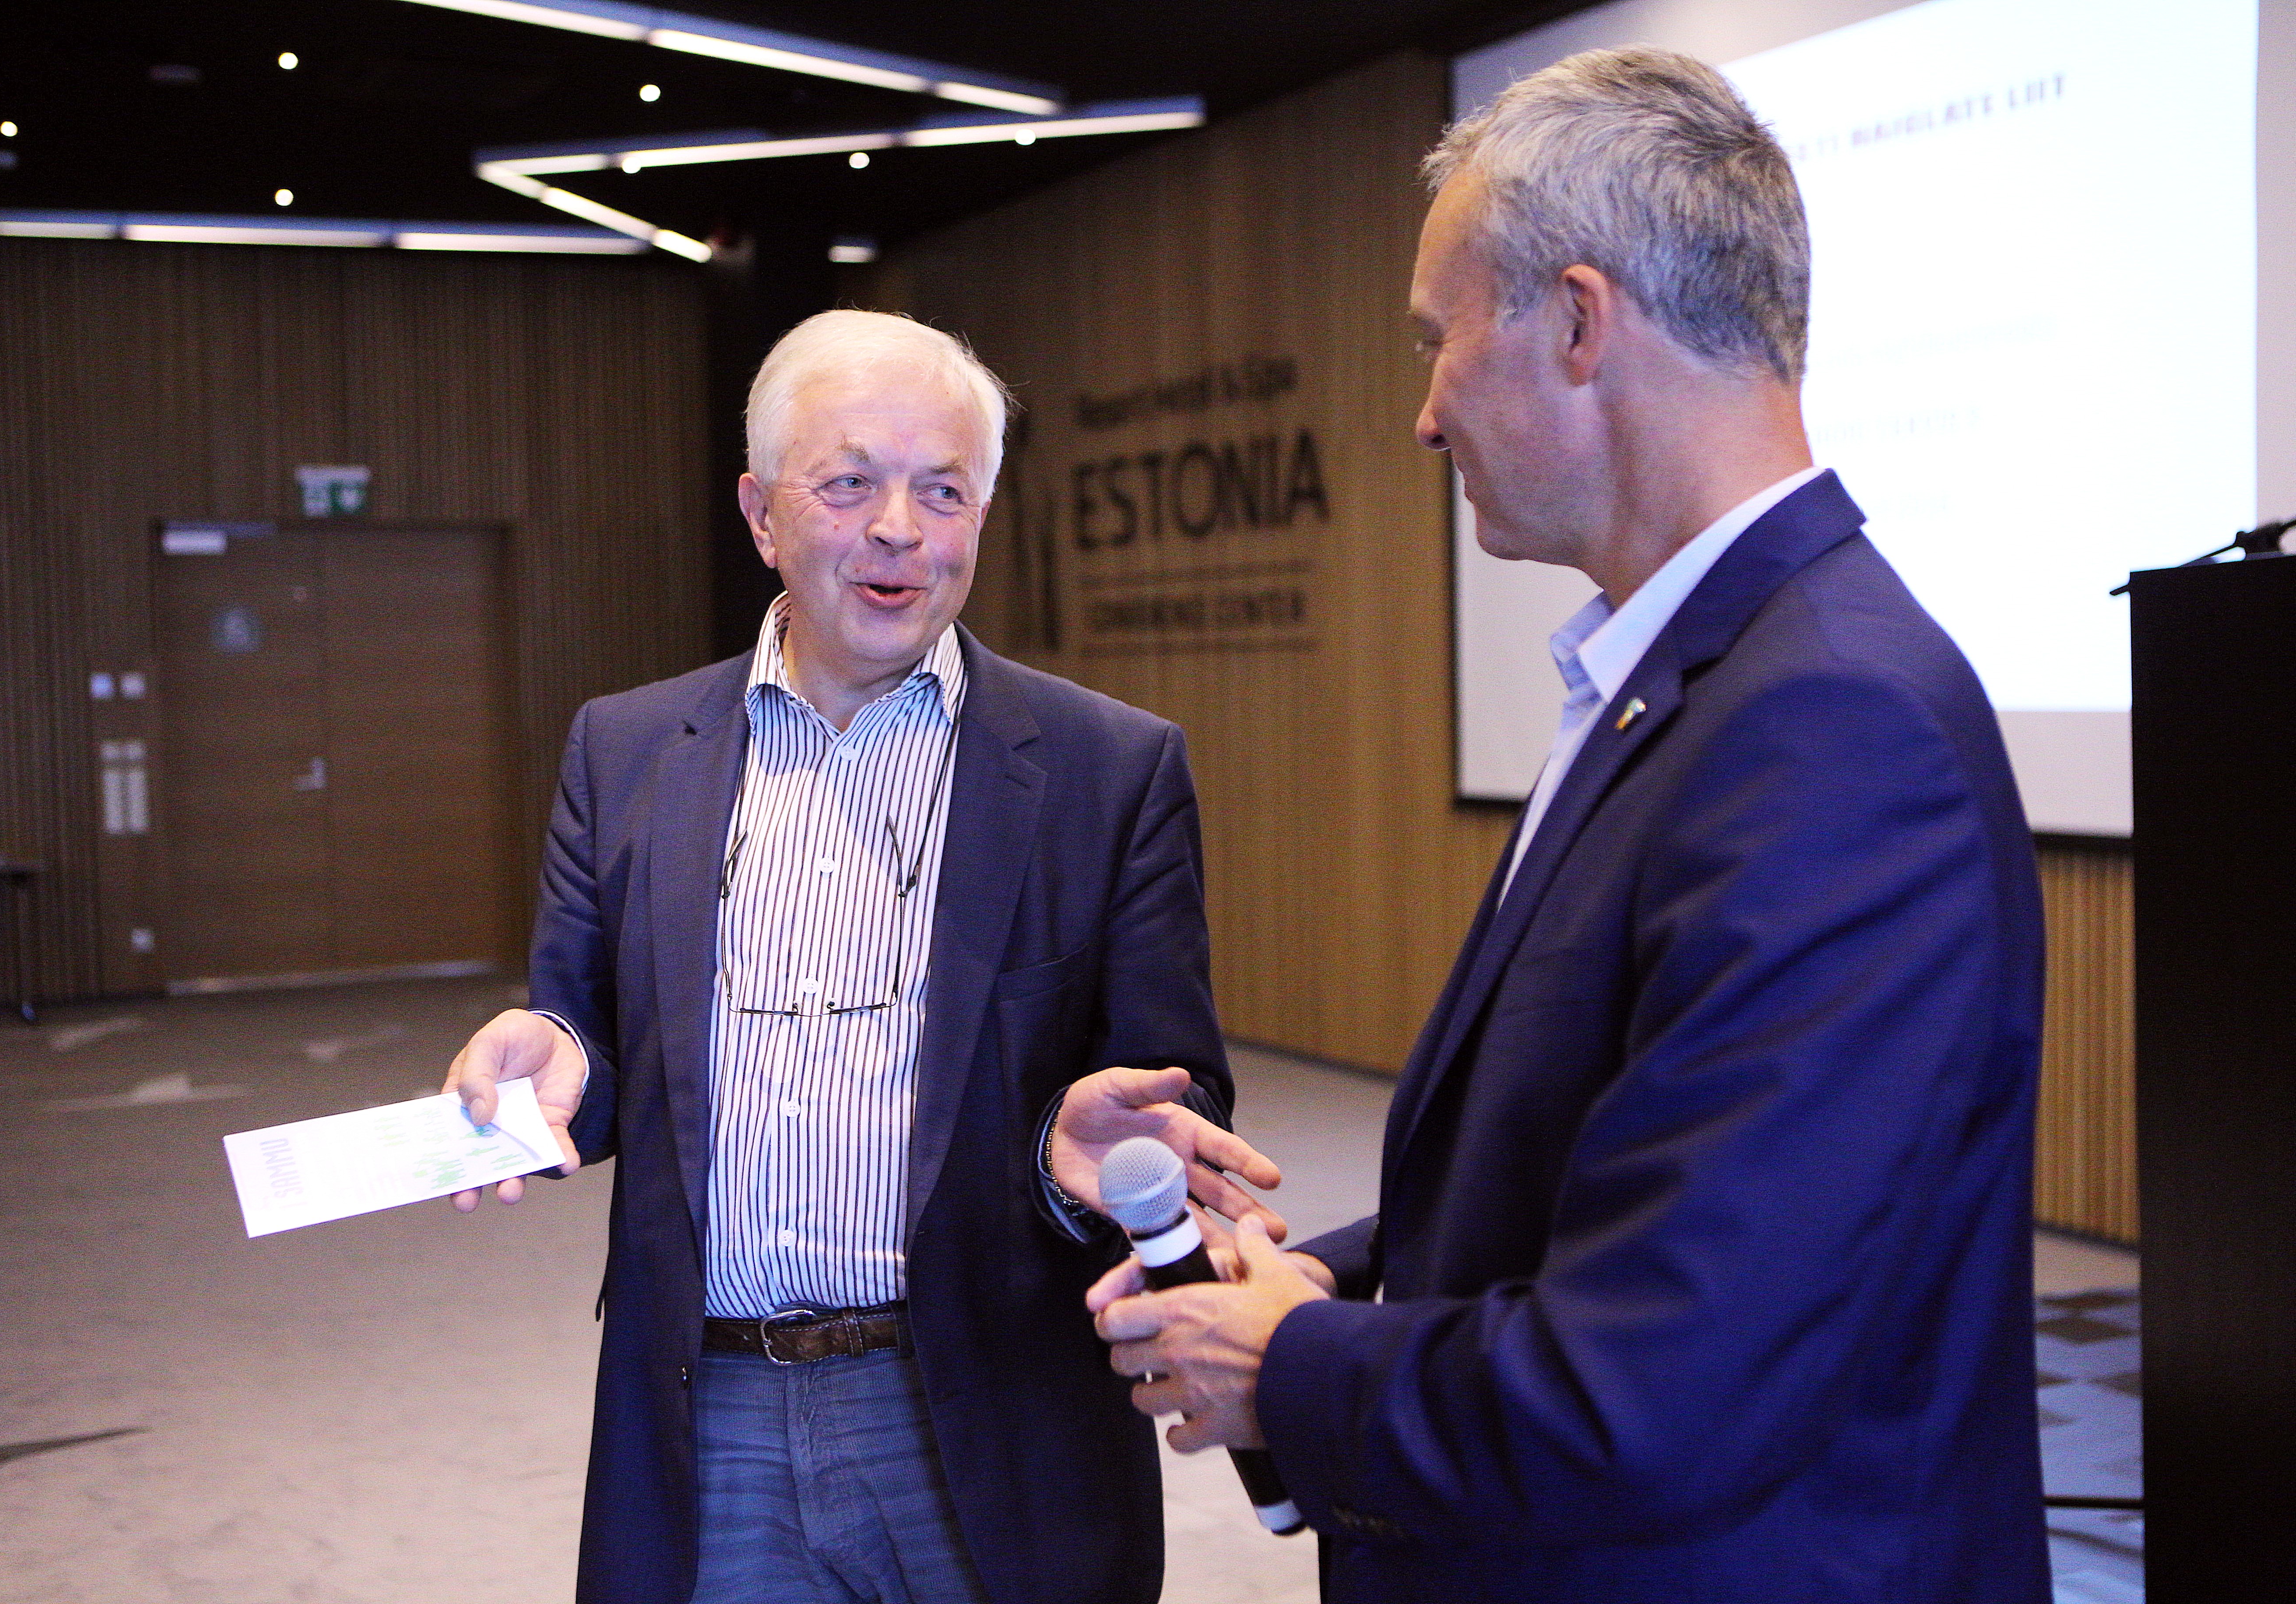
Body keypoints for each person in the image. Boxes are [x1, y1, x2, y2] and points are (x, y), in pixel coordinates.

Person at [1091, 45, 2051, 1602]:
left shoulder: (1830, 728)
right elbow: (1614, 1171)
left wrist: (1293, 1363)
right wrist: (1328, 1278)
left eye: (1438, 340)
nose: (1423, 417)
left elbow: (1663, 1382)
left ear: (1581, 322)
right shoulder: (1706, 681)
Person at [442, 309, 1282, 1604]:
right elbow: (595, 1049)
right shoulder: (626, 751)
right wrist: (551, 1057)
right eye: (848, 484)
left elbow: (1175, 1094)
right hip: (710, 1411)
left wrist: (1077, 1148)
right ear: (760, 514)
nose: (900, 529)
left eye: (942, 492)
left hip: (985, 1406)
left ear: (980, 519)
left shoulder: (1109, 770)